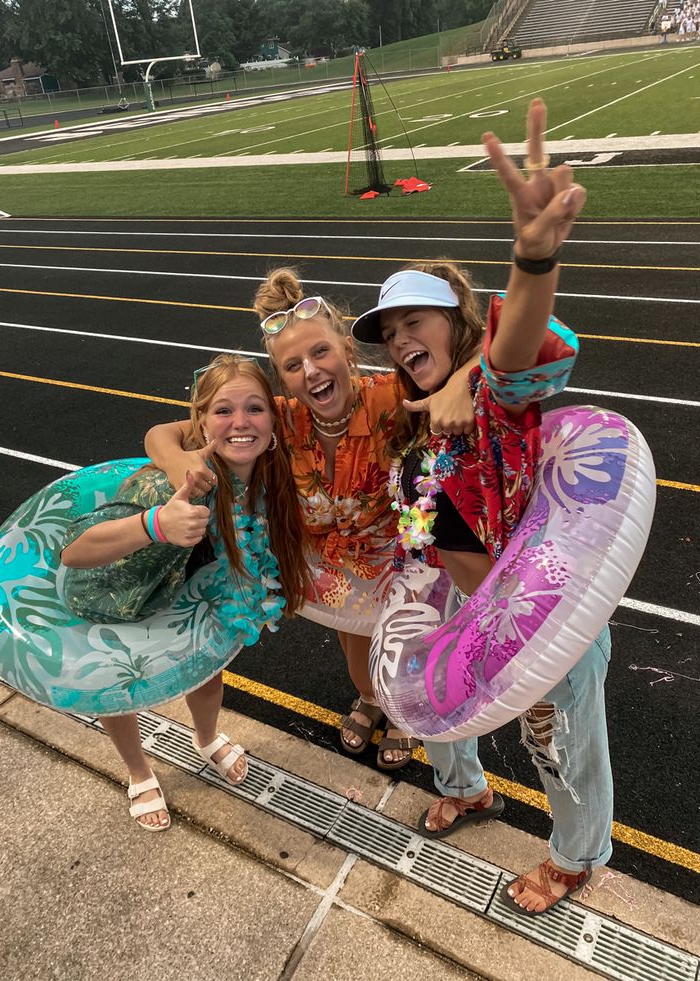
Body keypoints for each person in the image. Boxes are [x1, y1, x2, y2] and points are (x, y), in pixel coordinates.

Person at [351, 98, 613, 917]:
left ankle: (576, 858)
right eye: (388, 332)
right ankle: (464, 791)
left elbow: (514, 348)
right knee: (436, 705)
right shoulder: (409, 413)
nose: (397, 342)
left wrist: (532, 261)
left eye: (413, 323)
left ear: (455, 322)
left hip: (539, 606)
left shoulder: (493, 398)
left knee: (559, 741)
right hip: (462, 600)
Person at [145, 285, 479, 771]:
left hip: (396, 558)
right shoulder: (279, 419)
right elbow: (166, 433)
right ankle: (368, 699)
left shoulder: (391, 397)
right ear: (282, 380)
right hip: (329, 565)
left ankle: (403, 717)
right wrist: (176, 461)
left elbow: (498, 352)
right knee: (354, 640)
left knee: (405, 646)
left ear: (346, 350)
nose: (312, 371)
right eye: (293, 365)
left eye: (320, 351)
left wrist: (458, 385)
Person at [61, 355, 309, 831]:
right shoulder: (172, 485)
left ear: (275, 420)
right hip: (116, 589)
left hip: (183, 587)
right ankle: (138, 771)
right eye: (223, 411)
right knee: (118, 691)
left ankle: (206, 736)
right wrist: (156, 523)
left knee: (206, 670)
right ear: (200, 422)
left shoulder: (265, 475)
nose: (240, 422)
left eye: (255, 408)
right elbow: (74, 553)